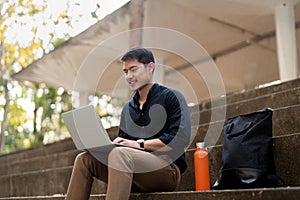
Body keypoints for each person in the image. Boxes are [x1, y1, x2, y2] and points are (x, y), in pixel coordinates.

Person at [65, 47, 191, 200]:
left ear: (150, 67)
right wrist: (103, 147)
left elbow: (180, 140)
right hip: (131, 172)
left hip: (166, 170)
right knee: (84, 159)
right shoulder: (128, 108)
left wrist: (139, 145)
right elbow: (122, 148)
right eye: (125, 72)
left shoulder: (172, 97)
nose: (129, 76)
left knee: (120, 154)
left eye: (133, 69)